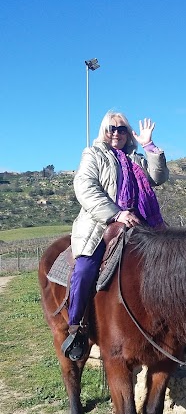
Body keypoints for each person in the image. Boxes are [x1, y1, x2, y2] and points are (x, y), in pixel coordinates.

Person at [62, 111, 169, 360]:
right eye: (112, 128)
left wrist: (148, 145)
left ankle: (181, 323)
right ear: (104, 130)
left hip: (141, 224)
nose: (117, 133)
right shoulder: (93, 154)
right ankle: (76, 326)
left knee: (170, 266)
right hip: (101, 223)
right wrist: (115, 214)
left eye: (122, 129)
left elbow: (159, 178)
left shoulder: (137, 159)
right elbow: (86, 187)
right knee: (86, 268)